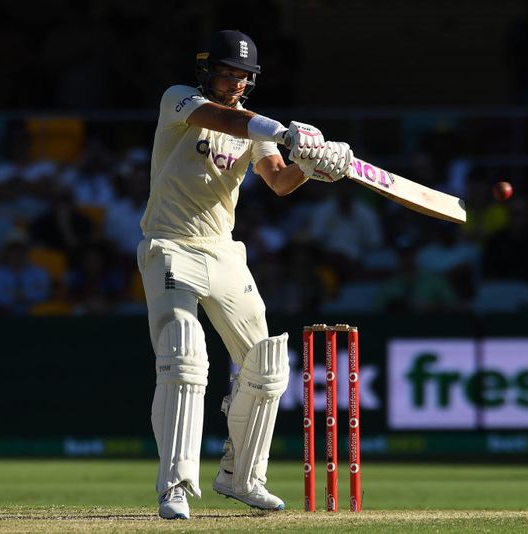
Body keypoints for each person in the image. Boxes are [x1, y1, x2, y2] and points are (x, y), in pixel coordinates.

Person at [138, 29, 351, 520]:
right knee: (183, 354)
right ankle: (175, 485)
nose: (233, 83)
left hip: (224, 253)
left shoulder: (257, 131)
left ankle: (241, 477)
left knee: (268, 362)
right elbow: (223, 120)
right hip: (170, 246)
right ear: (207, 70)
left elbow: (279, 180)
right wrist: (286, 133)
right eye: (226, 73)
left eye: (242, 77)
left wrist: (316, 164)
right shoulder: (180, 101)